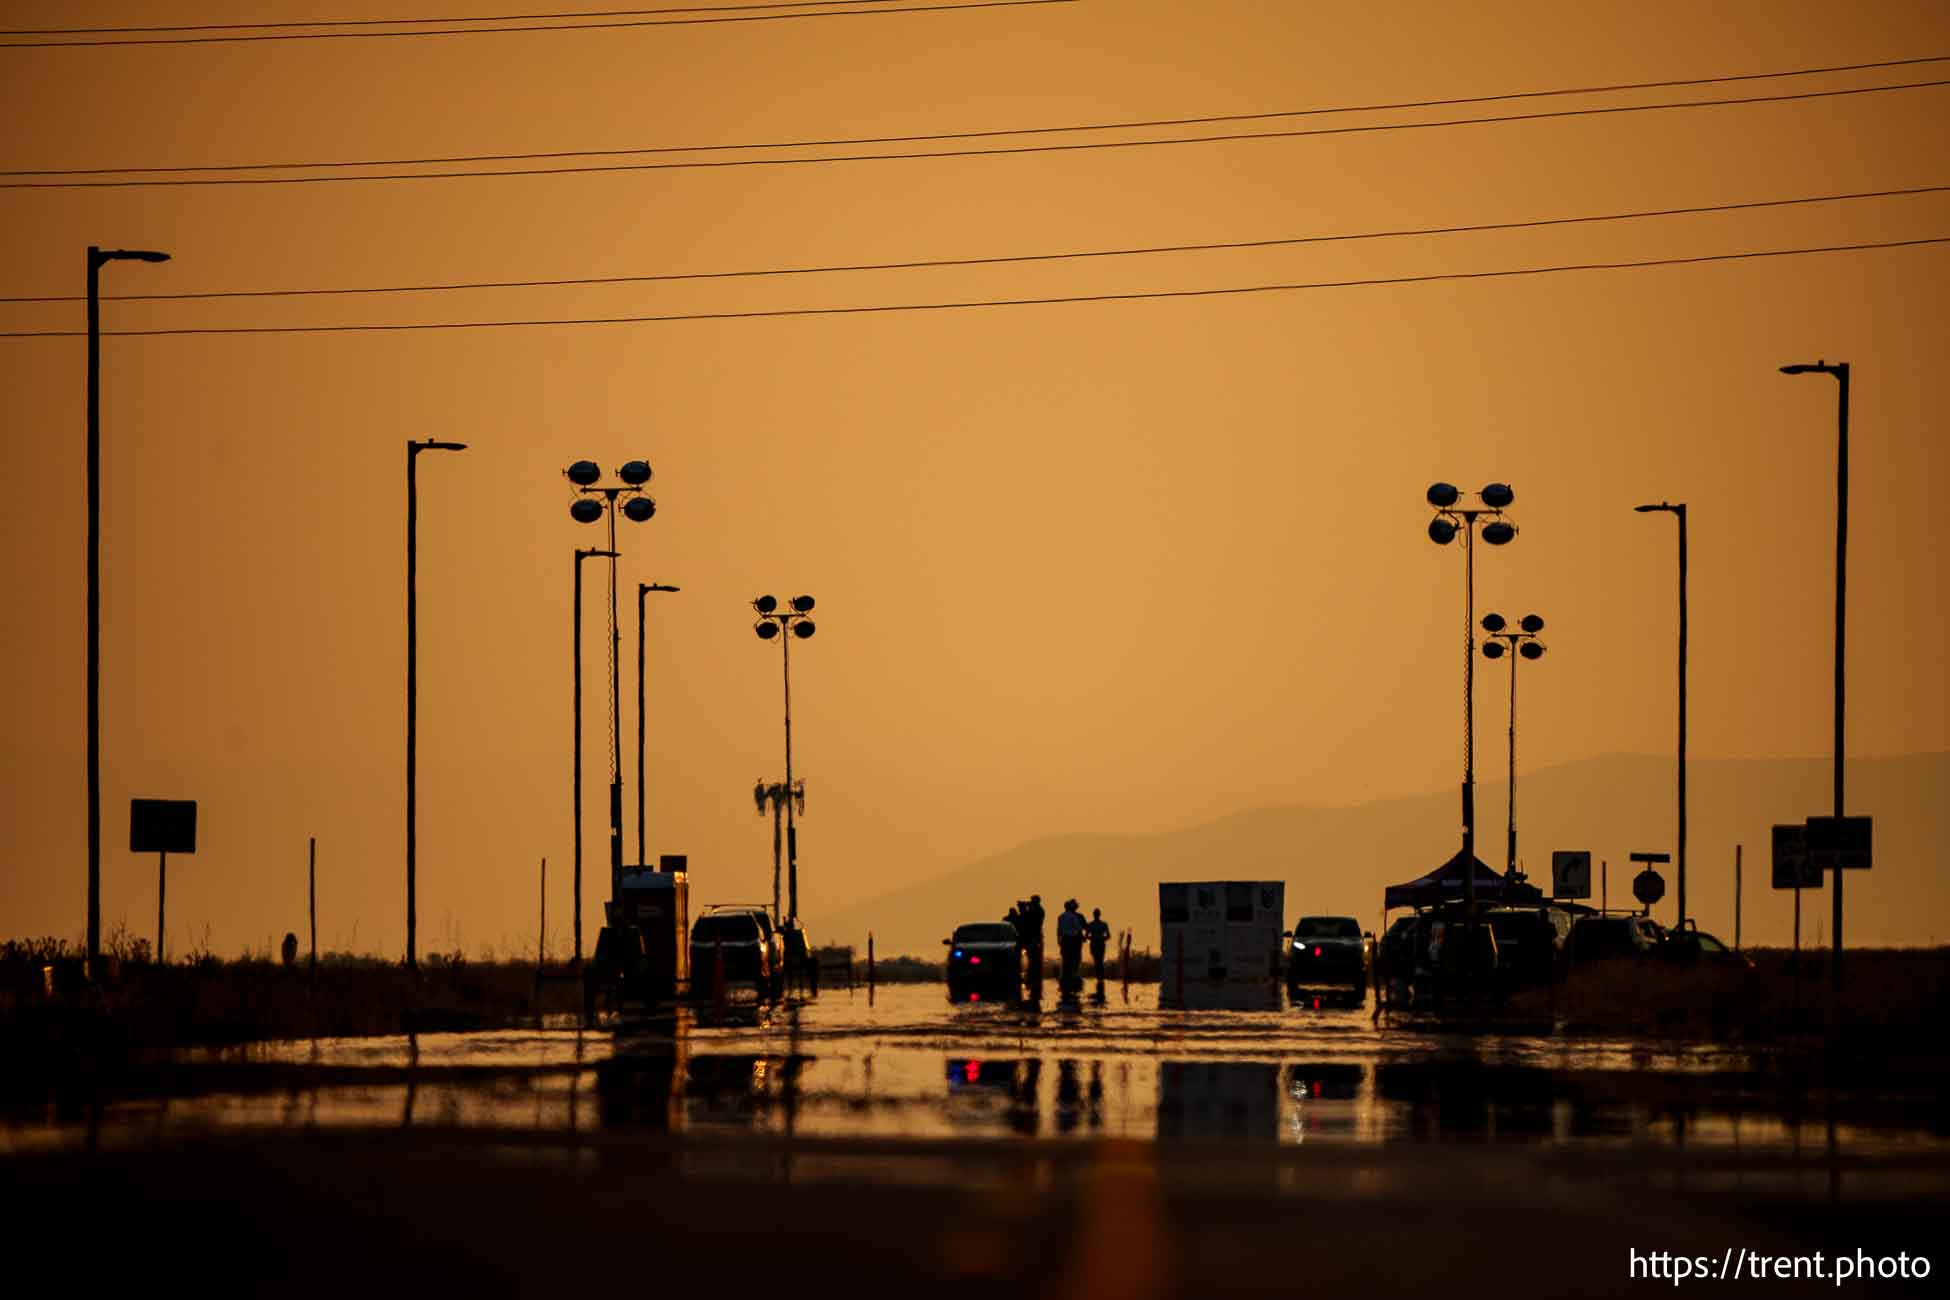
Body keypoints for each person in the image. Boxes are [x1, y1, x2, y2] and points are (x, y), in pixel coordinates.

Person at [1056, 899, 1086, 995]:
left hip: (1064, 939)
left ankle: (1066, 977)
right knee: (1075, 957)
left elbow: (1059, 929)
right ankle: (1074, 975)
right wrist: (1083, 936)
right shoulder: (1073, 916)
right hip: (1073, 939)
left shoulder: (1060, 916)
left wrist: (1059, 940)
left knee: (1065, 958)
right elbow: (1078, 928)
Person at [1022, 894, 1046, 989]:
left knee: (1034, 959)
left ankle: (1032, 978)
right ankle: (1033, 978)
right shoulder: (1037, 909)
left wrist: (1026, 908)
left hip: (1035, 937)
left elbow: (1029, 919)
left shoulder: (1037, 911)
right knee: (1033, 959)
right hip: (1035, 936)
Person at [1085, 908, 1110, 982]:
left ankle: (1100, 978)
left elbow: (1108, 936)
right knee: (1098, 961)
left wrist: (1096, 938)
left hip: (1098, 944)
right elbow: (1086, 936)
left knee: (1098, 961)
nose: (1096, 915)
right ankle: (1100, 978)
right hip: (1097, 944)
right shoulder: (1101, 924)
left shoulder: (1093, 924)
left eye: (1096, 914)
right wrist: (1099, 938)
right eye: (1096, 914)